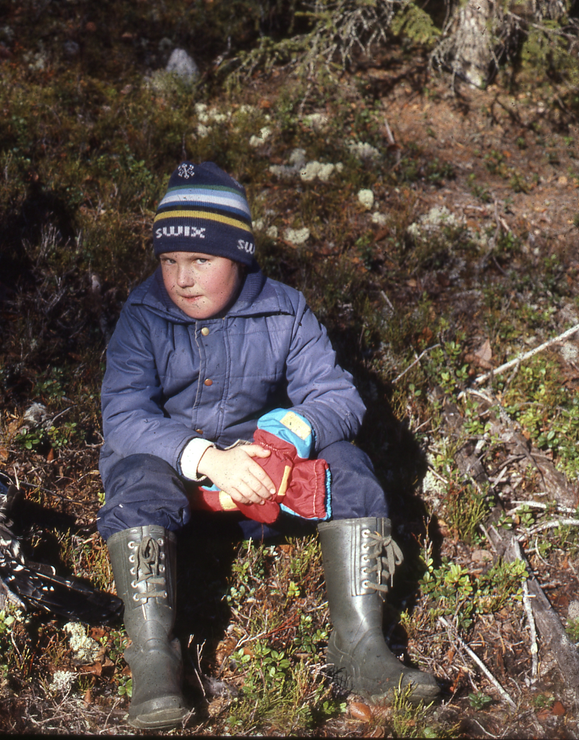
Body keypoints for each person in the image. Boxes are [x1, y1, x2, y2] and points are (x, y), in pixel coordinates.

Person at [98, 160, 438, 729]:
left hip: (265, 480)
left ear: (239, 256)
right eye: (169, 260)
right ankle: (154, 658)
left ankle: (361, 647)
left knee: (348, 467)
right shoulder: (143, 316)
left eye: (200, 259)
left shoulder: (284, 309)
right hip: (179, 486)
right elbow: (125, 415)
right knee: (135, 476)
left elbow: (338, 398)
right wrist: (207, 459)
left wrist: (284, 438)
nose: (181, 277)